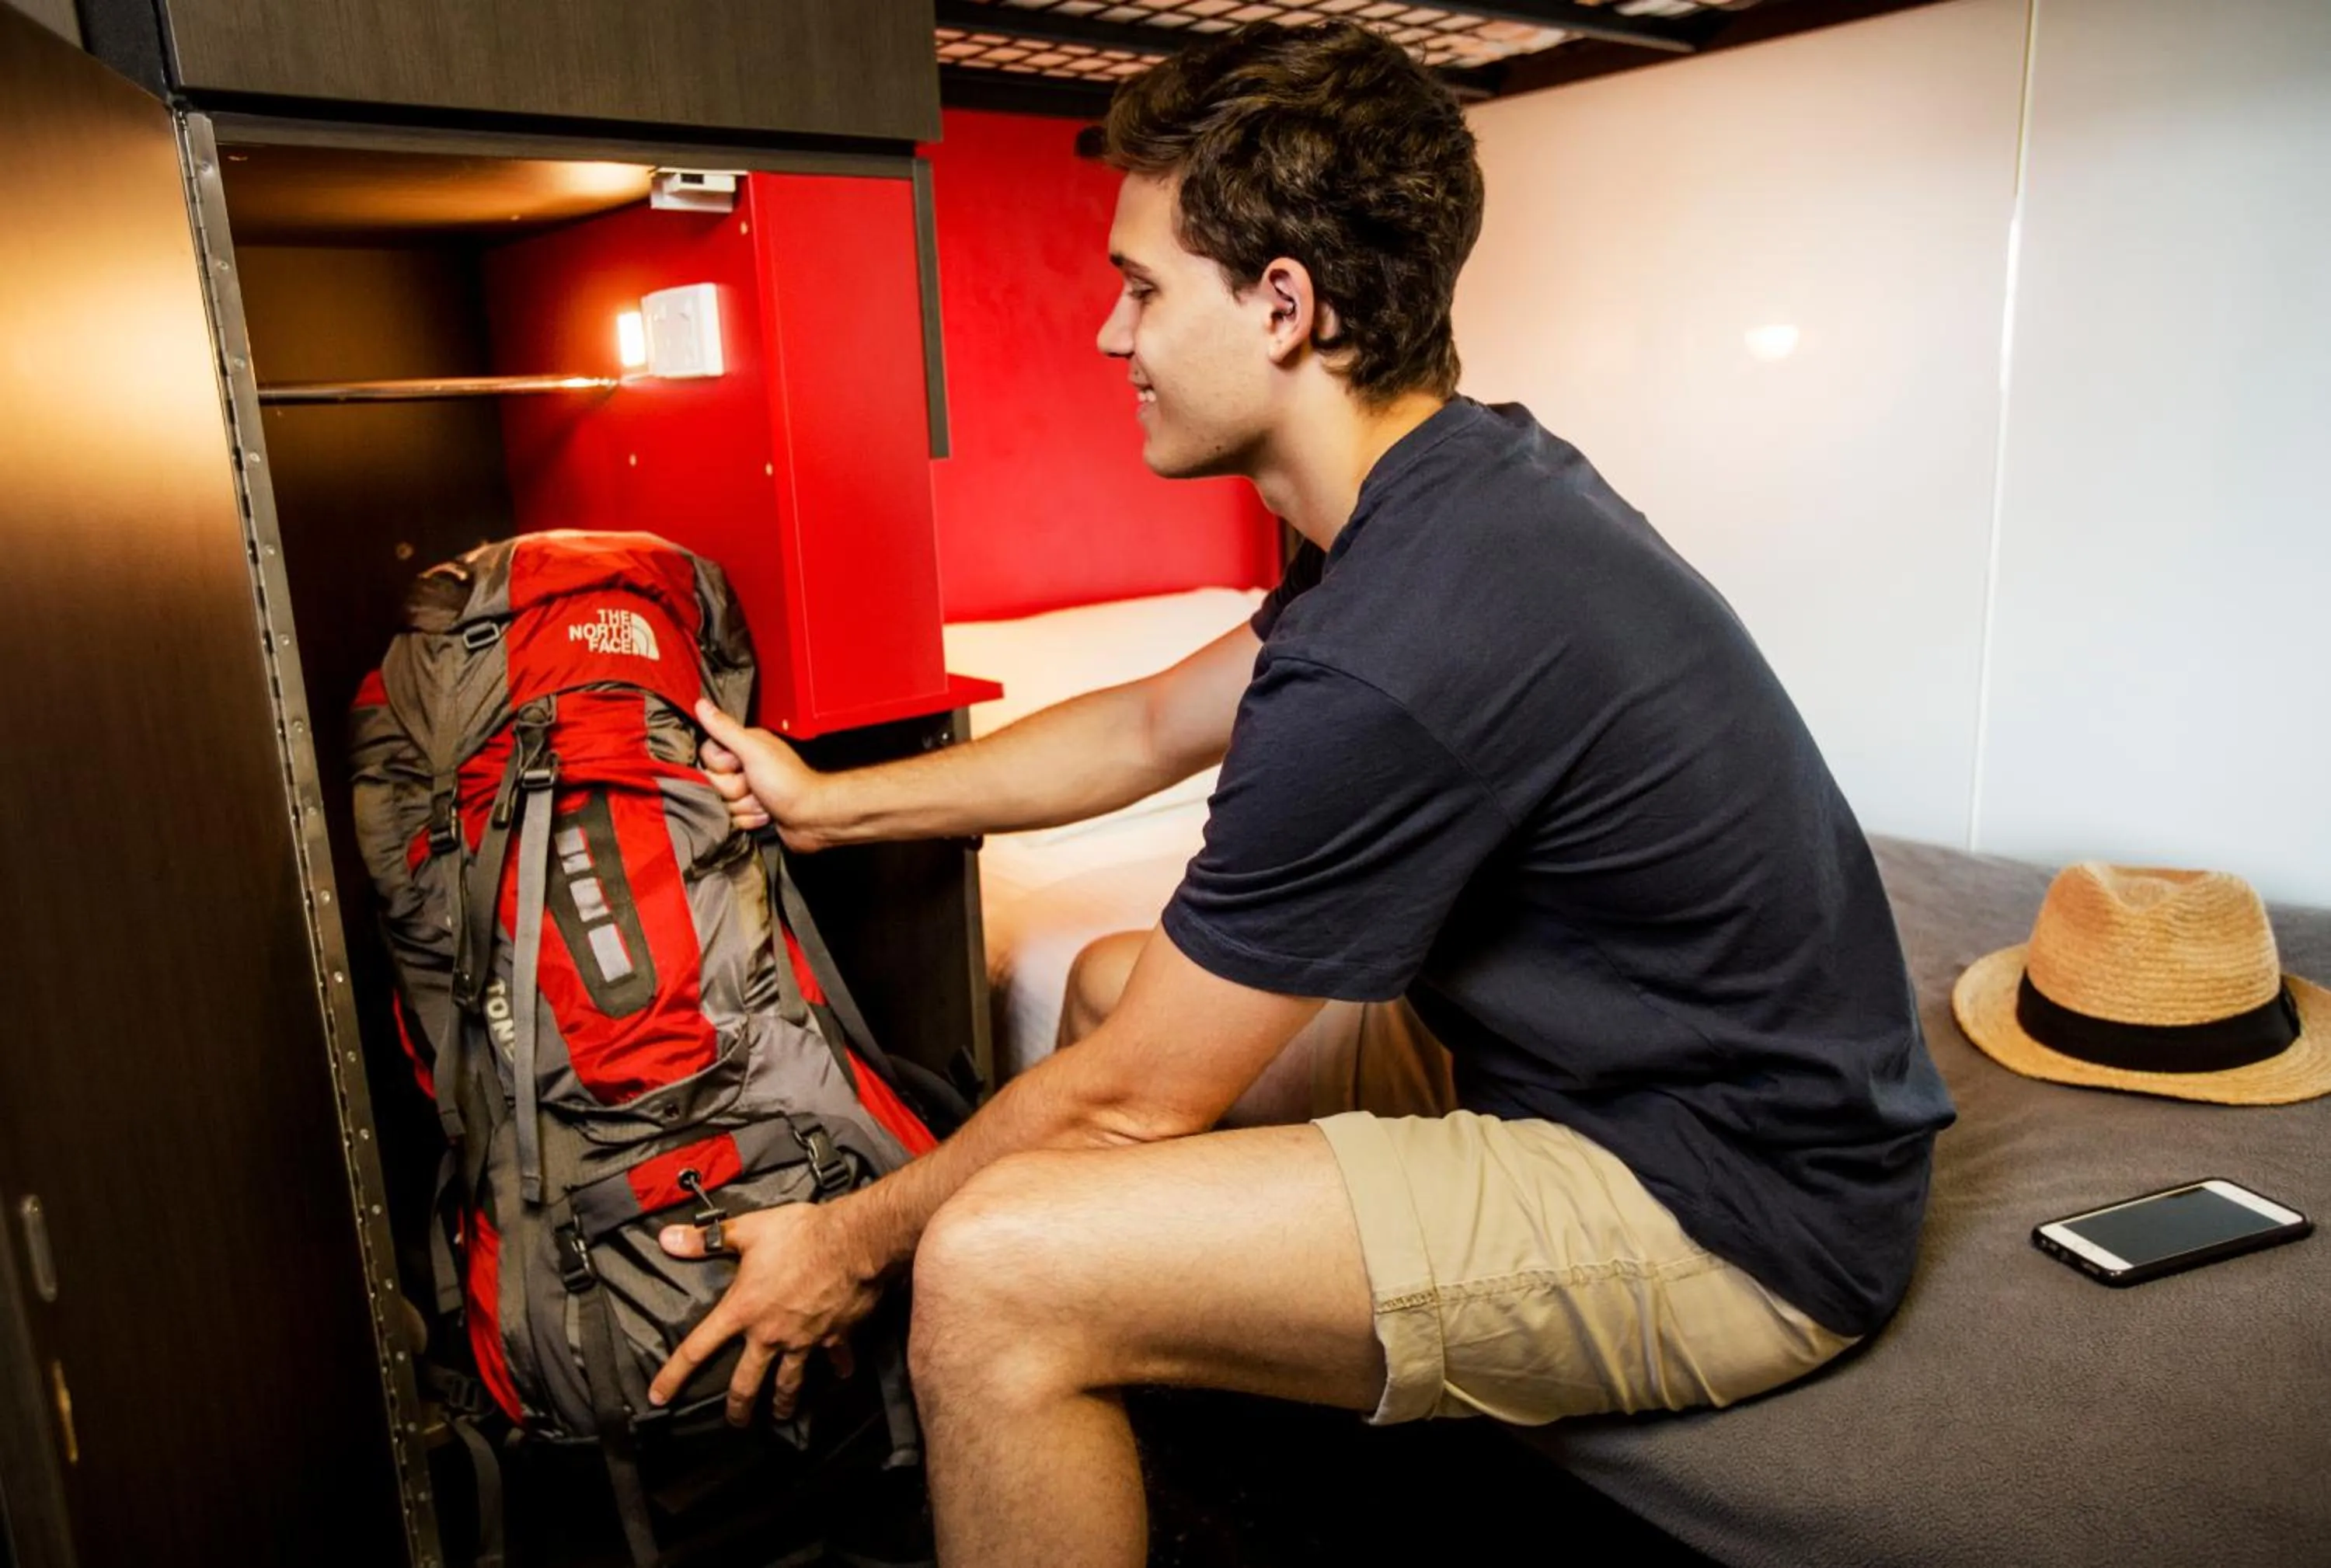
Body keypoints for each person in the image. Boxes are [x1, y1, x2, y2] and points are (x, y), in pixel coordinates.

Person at [646, 19, 1955, 1565]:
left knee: (995, 1261)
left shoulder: (1403, 641)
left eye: (1139, 288)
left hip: (1735, 1210)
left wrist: (849, 1246)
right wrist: (827, 805)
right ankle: (1219, 1456)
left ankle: (1072, 1358)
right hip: (1633, 1082)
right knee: (1117, 984)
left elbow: (1146, 1100)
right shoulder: (1447, 496)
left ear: (1284, 307)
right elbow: (1147, 722)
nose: (1107, 338)